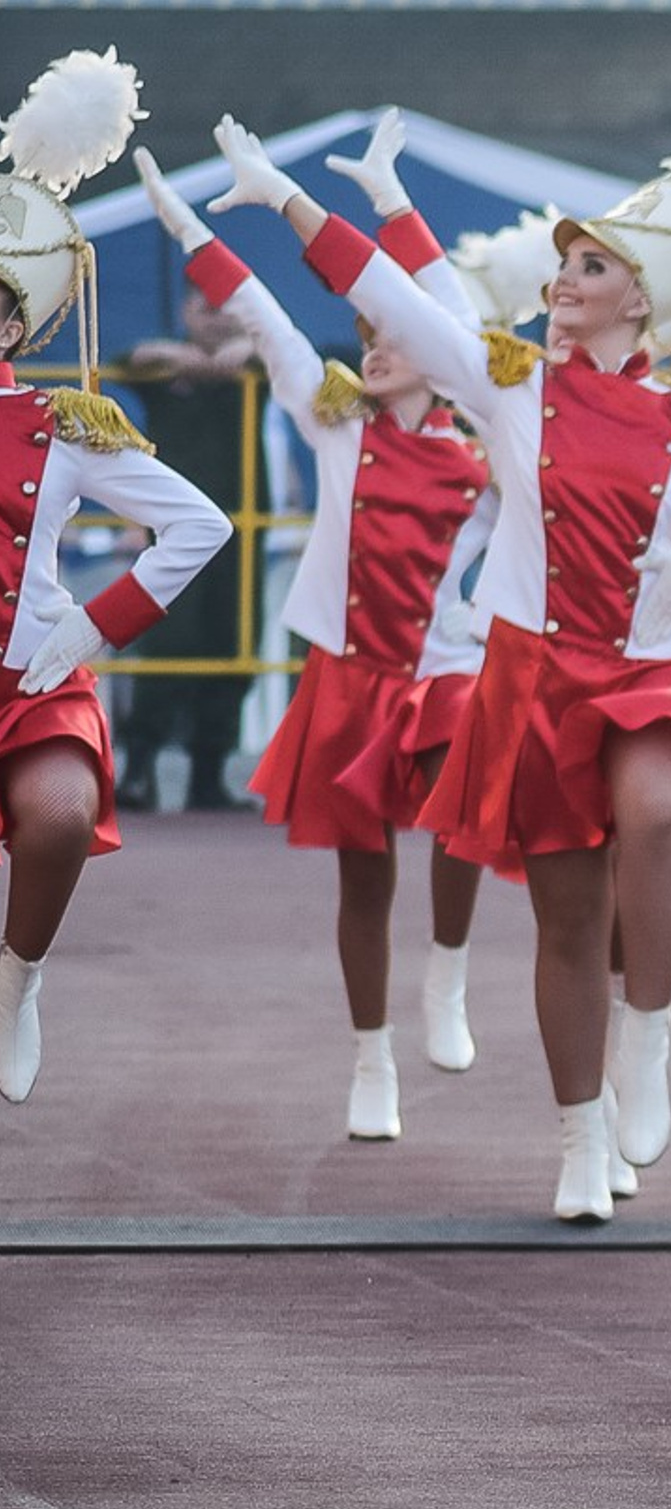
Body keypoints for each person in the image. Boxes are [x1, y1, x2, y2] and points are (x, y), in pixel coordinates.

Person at [210, 109, 671, 1222]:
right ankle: (578, 1139)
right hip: (538, 684)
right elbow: (406, 301)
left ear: (639, 298)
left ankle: (649, 1032)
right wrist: (290, 201)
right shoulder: (514, 386)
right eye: (565, 262)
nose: (565, 277)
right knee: (565, 916)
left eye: (590, 265)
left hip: (642, 674)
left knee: (653, 807)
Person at [135, 123, 497, 1143]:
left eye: (391, 337)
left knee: (466, 811)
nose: (374, 344)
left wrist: (393, 208)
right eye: (367, 335)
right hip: (348, 677)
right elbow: (263, 315)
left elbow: (451, 315)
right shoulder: (334, 423)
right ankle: (371, 1055)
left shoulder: (486, 458)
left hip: (444, 672)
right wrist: (178, 225)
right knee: (362, 870)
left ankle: (451, 977)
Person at [1, 50, 233, 1100]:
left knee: (55, 817)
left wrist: (93, 627)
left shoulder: (61, 424)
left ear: (16, 324)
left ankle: (18, 978)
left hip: (33, 679)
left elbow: (201, 524)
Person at [110, 283, 261, 813]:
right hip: (173, 535)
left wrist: (244, 352)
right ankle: (137, 772)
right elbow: (126, 360)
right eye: (206, 307)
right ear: (185, 312)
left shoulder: (256, 367)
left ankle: (208, 777)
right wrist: (184, 359)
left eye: (227, 308)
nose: (218, 318)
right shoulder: (163, 368)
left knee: (232, 643)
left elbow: (302, 358)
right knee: (168, 644)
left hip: (242, 532)